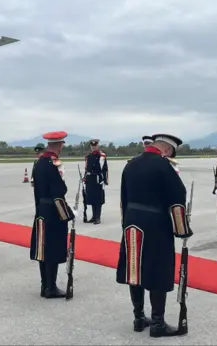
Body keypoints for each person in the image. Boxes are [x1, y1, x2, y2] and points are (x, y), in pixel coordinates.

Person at [116, 133, 193, 338]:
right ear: (167, 149)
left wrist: (126, 224)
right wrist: (182, 229)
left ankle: (139, 318)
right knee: (159, 269)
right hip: (155, 223)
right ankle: (158, 323)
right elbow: (178, 198)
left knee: (135, 268)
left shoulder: (131, 164)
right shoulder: (163, 166)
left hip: (132, 222)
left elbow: (123, 198)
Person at [30, 131, 75, 298]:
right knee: (53, 250)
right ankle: (51, 287)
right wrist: (68, 214)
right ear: (58, 144)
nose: (62, 147)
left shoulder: (39, 163)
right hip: (54, 212)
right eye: (62, 144)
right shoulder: (52, 165)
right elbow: (58, 192)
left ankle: (45, 285)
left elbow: (37, 192)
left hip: (41, 210)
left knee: (43, 249)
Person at [83, 138, 108, 224]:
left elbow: (105, 169)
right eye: (92, 146)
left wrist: (105, 180)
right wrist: (85, 178)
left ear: (97, 146)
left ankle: (98, 217)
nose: (94, 147)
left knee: (98, 199)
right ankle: (93, 216)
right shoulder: (88, 156)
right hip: (90, 180)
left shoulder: (102, 156)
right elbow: (86, 169)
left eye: (95, 145)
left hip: (98, 180)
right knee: (92, 198)